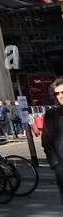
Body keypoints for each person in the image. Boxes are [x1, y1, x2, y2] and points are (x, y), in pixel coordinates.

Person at [42, 78, 63, 206]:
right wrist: (56, 164)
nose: (60, 96)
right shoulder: (51, 115)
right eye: (57, 93)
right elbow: (46, 141)